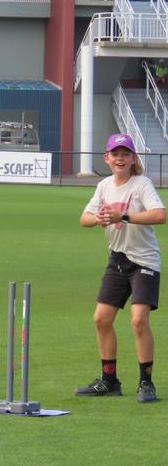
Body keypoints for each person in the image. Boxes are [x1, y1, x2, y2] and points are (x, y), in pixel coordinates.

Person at [76, 133, 165, 403]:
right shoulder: (104, 186)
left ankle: (146, 383)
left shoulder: (141, 184)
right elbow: (84, 218)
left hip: (144, 261)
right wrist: (99, 219)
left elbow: (160, 215)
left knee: (139, 320)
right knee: (101, 319)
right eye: (115, 154)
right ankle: (109, 381)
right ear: (107, 158)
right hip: (117, 259)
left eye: (125, 154)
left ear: (133, 158)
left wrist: (123, 216)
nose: (120, 158)